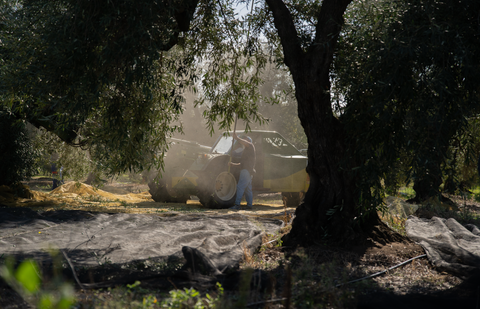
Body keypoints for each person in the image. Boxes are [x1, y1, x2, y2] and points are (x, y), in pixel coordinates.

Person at [229, 133, 256, 210]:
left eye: (246, 139)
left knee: (240, 187)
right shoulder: (246, 150)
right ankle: (249, 205)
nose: (244, 140)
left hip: (246, 171)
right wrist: (233, 164)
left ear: (248, 141)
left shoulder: (250, 146)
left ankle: (237, 205)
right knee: (248, 189)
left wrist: (237, 138)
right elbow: (242, 164)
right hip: (248, 171)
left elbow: (245, 143)